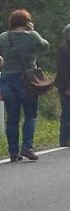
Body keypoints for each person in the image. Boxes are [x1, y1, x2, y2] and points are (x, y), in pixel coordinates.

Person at [0, 9, 50, 162]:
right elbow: (45, 46)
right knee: (30, 115)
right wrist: (32, 30)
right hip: (27, 79)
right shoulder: (32, 36)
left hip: (7, 79)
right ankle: (27, 147)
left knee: (12, 118)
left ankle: (13, 152)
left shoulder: (3, 37)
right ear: (27, 21)